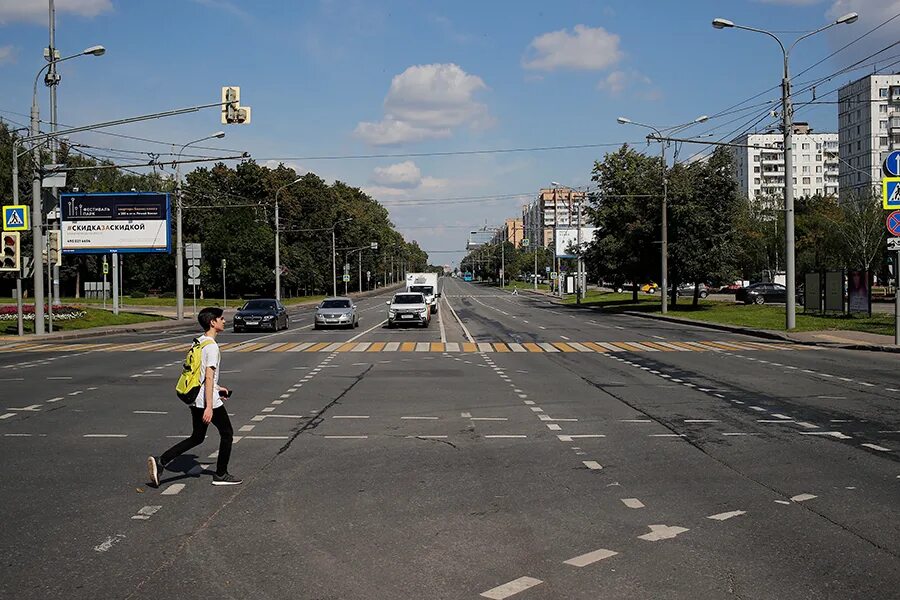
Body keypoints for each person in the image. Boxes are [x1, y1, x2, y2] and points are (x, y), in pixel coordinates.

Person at [147, 307, 242, 487]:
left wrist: (218, 388)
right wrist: (209, 406)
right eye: (221, 318)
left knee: (197, 437)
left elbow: (198, 373)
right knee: (227, 434)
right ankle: (221, 474)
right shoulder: (212, 347)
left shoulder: (198, 342)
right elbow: (207, 376)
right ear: (213, 322)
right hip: (207, 401)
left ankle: (162, 461)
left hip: (195, 397)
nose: (224, 321)